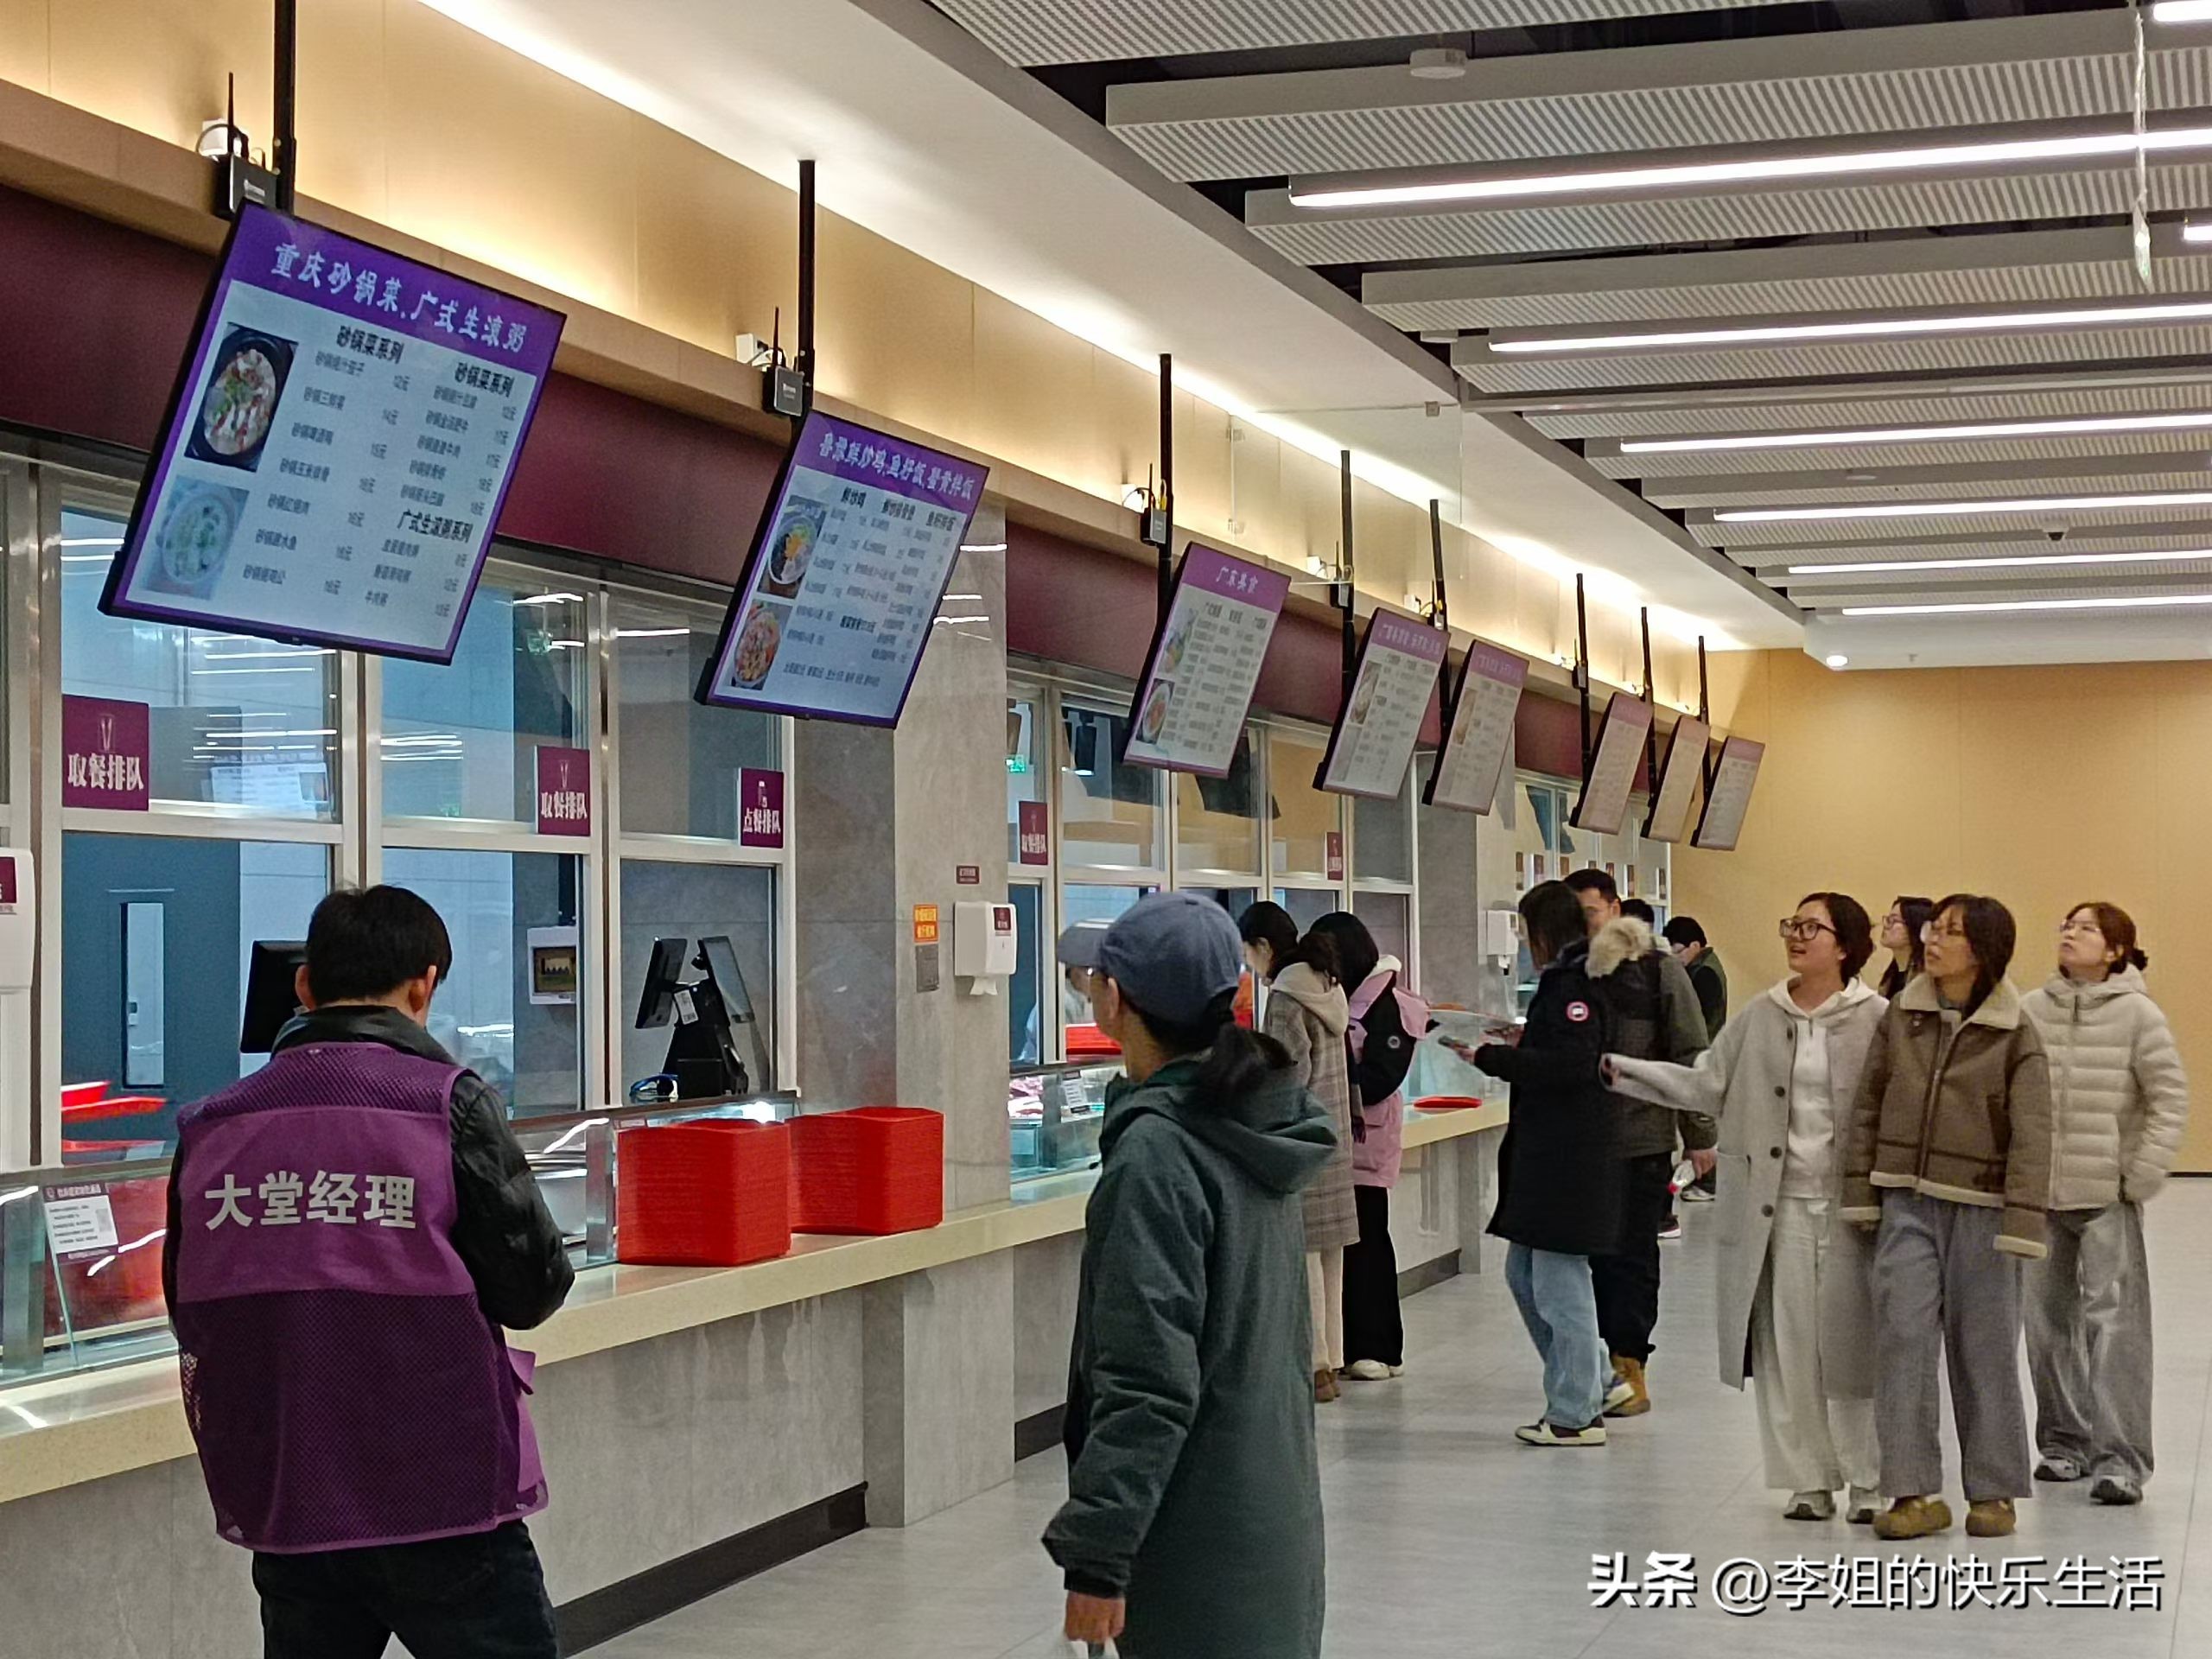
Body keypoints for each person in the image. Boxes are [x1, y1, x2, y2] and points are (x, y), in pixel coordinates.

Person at [162, 886, 575, 1659]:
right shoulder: (446, 1104)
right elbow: (532, 1290)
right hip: (441, 1491)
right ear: (424, 985)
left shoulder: (213, 1125)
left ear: (305, 985)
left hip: (289, 1486)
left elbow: (190, 1309)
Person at [1046, 893, 1333, 1658]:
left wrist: (1099, 1556)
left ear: (1114, 1000)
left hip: (1193, 1543)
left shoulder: (1158, 1156)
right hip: (1268, 1520)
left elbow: (1147, 1379)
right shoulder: (1254, 1121)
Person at [1610, 894, 1886, 1522]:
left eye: (1812, 927)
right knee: (1787, 1346)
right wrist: (1621, 1071)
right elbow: (1706, 1083)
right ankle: (1807, 1480)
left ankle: (1870, 1481)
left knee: (1853, 1349)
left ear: (1845, 945)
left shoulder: (1877, 1019)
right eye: (1792, 925)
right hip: (1777, 1209)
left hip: (1854, 1212)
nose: (1796, 936)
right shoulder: (1762, 1014)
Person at [1841, 894, 2053, 1541]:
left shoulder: (2016, 1032)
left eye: (1952, 933)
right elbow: (1868, 1106)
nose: (1933, 941)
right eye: (1934, 929)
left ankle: (1993, 1490)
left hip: (1985, 1212)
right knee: (1901, 1341)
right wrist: (1861, 1190)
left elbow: (2034, 1135)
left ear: (1984, 950)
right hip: (1906, 1201)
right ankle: (1912, 1492)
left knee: (1984, 1350)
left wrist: (2023, 1222)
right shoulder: (1901, 1016)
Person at [2022, 902, 2190, 1507]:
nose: (2070, 933)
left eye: (2086, 928)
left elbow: (2169, 1097)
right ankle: (2064, 1443)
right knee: (2045, 1326)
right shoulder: (2030, 1009)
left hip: (2105, 1198)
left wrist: (2139, 1175)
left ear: (2115, 950)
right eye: (2066, 925)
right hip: (2040, 1197)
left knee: (2115, 1328)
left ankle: (2119, 1460)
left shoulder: (2139, 1015)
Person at [1459, 881, 1628, 1446]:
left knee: (1559, 1284)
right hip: (1548, 1155)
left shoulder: (1577, 983)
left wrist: (1493, 1058)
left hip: (1569, 1158)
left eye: (1526, 931)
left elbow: (1573, 1065)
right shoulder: (1568, 981)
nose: (1523, 944)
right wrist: (1523, 1041)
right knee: (1525, 1274)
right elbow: (1562, 1050)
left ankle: (1575, 1413)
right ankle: (1596, 1379)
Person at [1563, 868, 1713, 1415]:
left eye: (1590, 912)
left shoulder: (1657, 970)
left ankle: (1630, 1363)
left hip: (1641, 1139)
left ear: (1614, 908)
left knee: (1630, 1258)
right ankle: (1593, 1367)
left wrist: (1700, 1134)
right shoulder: (1570, 971)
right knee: (1582, 1260)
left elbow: (1689, 1054)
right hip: (1579, 1144)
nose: (1584, 924)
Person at [1239, 902, 1359, 1403]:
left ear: (1264, 947)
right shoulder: (1328, 986)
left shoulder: (1286, 999)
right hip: (1335, 1136)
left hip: (1302, 1141)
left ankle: (1314, 1367)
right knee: (1330, 1260)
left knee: (1304, 1256)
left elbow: (1285, 1078)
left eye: (1248, 954)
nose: (1249, 966)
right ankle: (1333, 1357)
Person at [1306, 911, 1430, 1382]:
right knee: (1348, 1248)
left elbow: (1381, 1077)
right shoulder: (1339, 998)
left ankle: (1378, 1347)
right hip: (1338, 1141)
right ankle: (1349, 1344)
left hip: (1367, 1141)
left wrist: (1332, 1088)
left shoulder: (1388, 1004)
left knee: (1369, 1243)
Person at [1663, 915, 1729, 1041]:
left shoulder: (1705, 973)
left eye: (1678, 952)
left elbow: (1696, 1019)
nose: (1675, 958)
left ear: (1695, 946)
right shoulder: (1704, 965)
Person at [1878, 897, 1936, 1000]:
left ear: (1914, 927)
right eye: (1887, 919)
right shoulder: (1892, 974)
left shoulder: (1926, 979)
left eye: (1893, 920)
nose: (1885, 925)